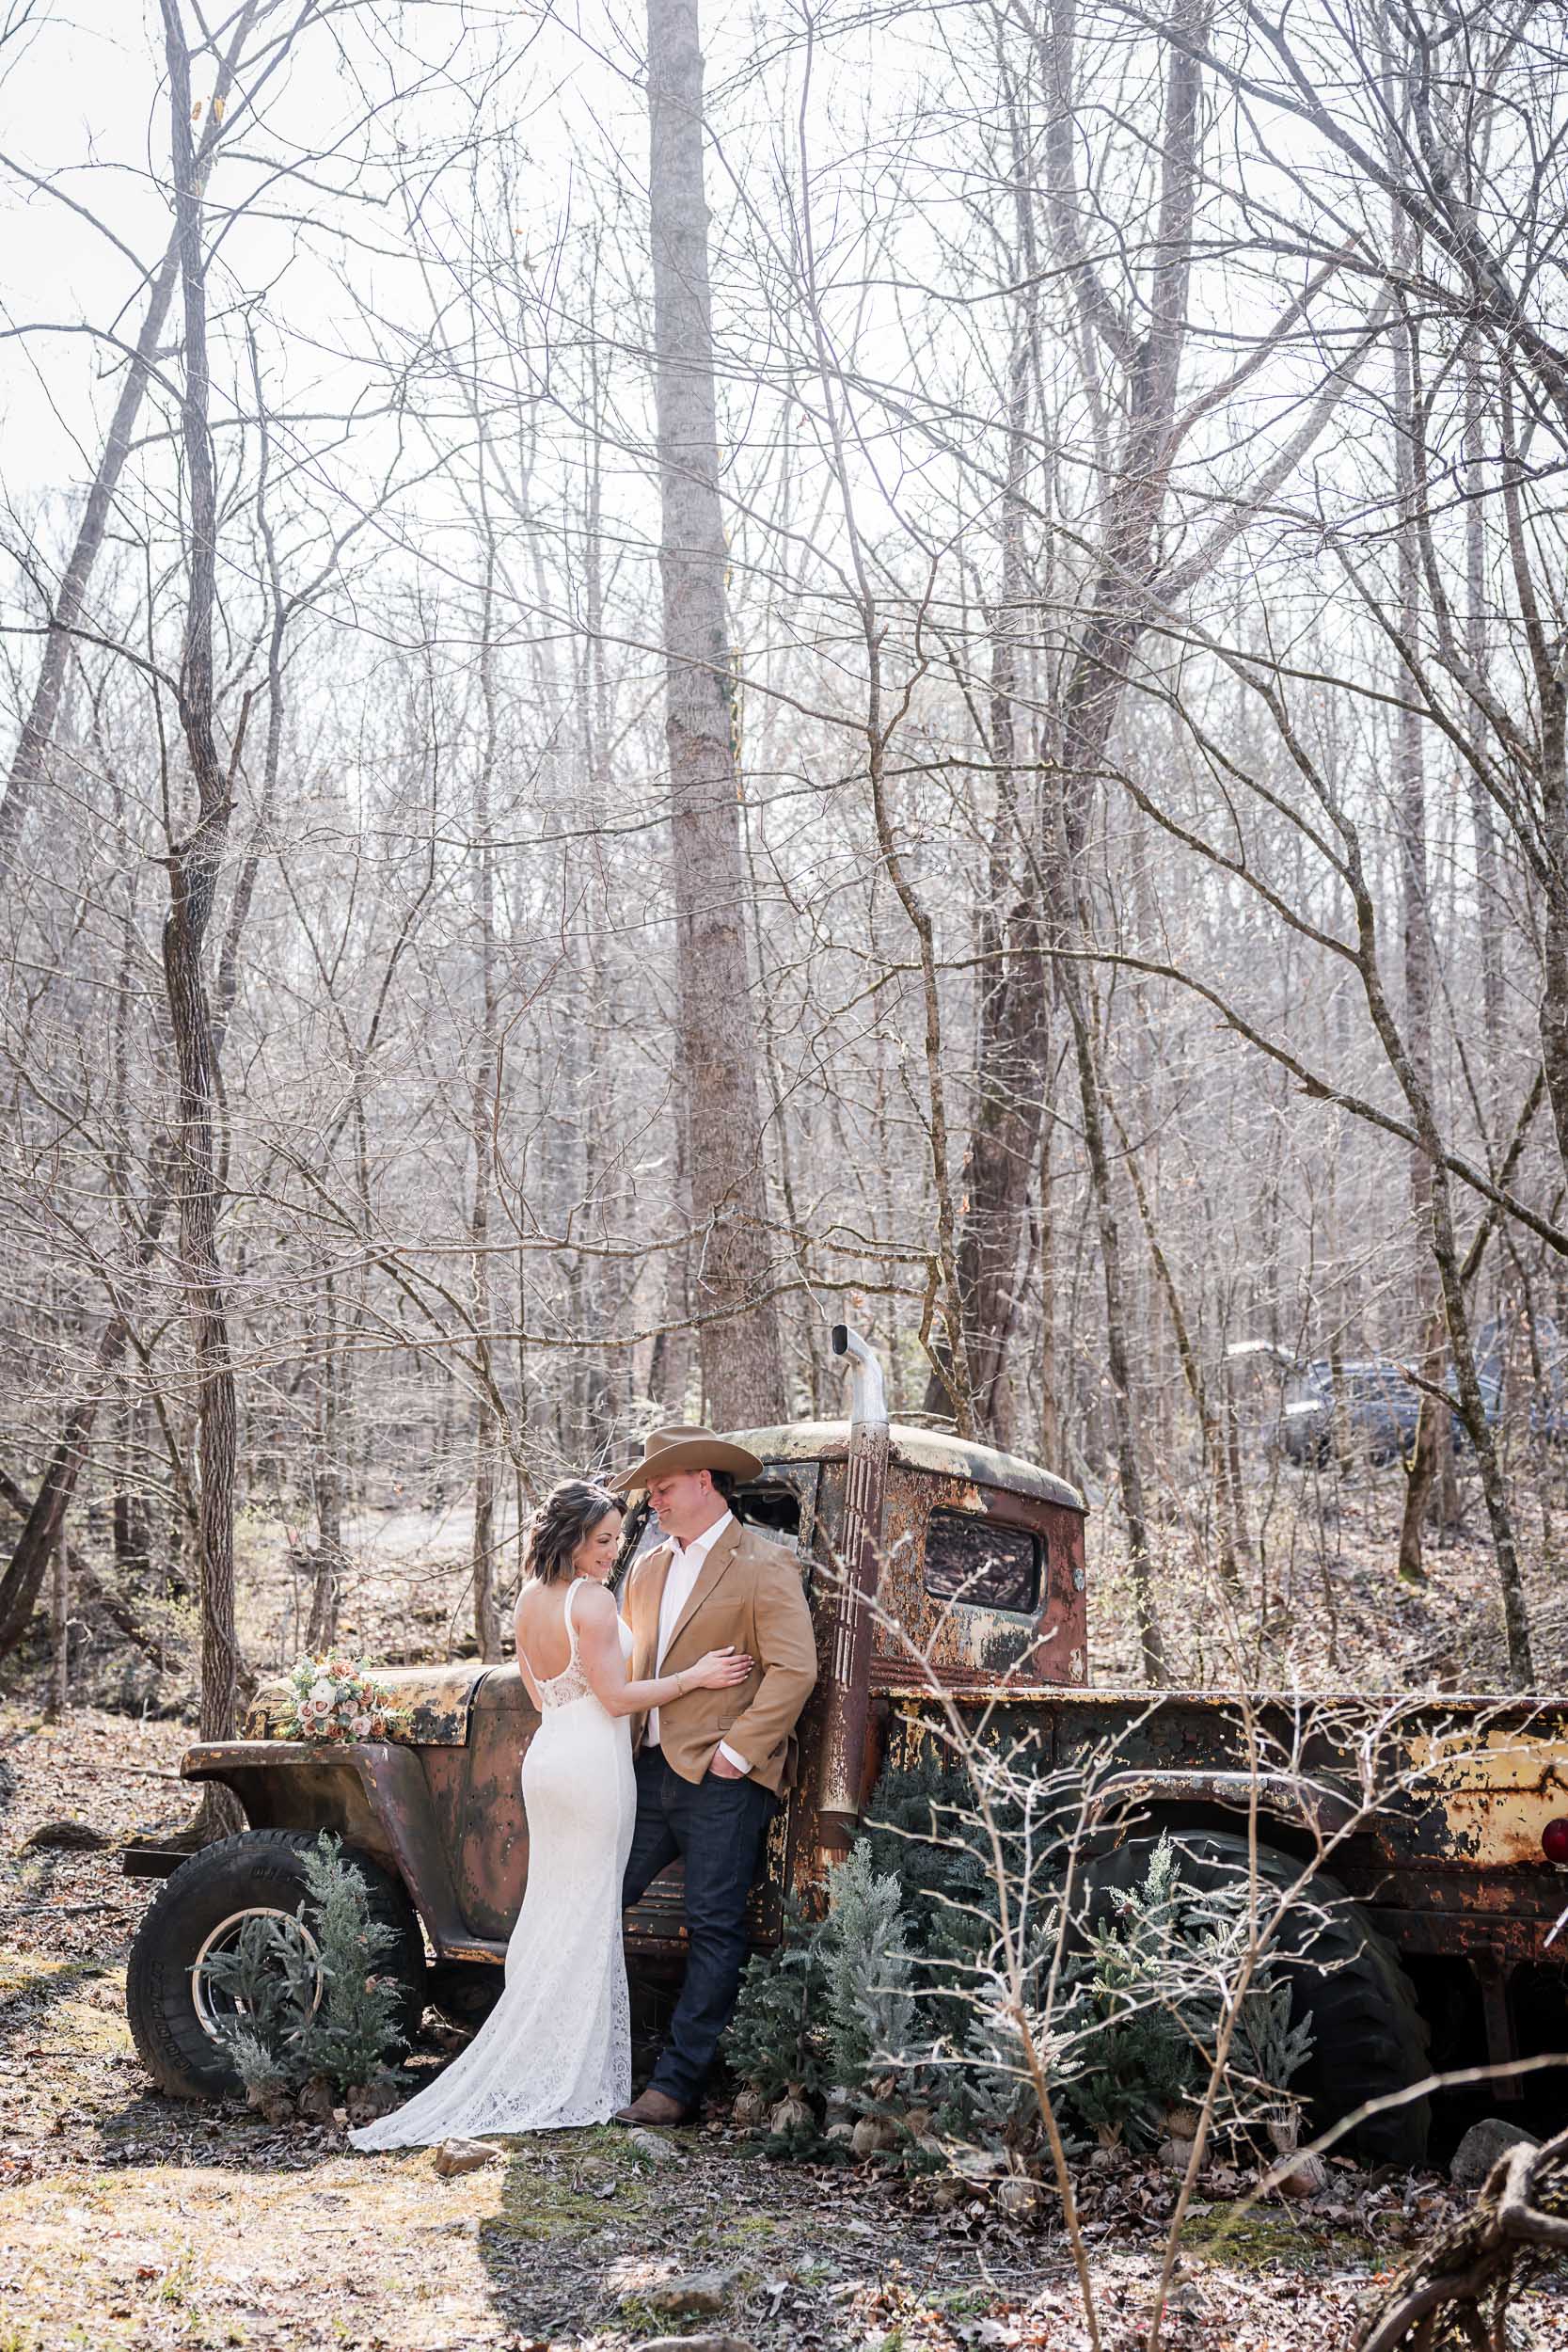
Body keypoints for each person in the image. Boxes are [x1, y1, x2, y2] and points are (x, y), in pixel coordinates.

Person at [350, 1479, 751, 2148]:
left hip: (549, 1756)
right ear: (571, 1538)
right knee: (587, 1913)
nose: (612, 1552)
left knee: (553, 1907)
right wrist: (695, 1678)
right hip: (592, 1766)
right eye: (602, 1541)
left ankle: (539, 2050)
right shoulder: (591, 1600)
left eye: (616, 1539)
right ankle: (567, 2071)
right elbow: (616, 1699)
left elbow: (541, 1696)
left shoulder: (530, 1599)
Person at [611, 1426, 818, 2128]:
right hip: (645, 1771)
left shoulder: (763, 1562)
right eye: (650, 1491)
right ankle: (593, 2056)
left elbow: (794, 1669)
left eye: (663, 1488)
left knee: (713, 1927)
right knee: (596, 1901)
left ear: (704, 1482)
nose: (654, 1501)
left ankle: (674, 2087)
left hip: (723, 1781)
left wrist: (736, 1753)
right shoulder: (646, 1569)